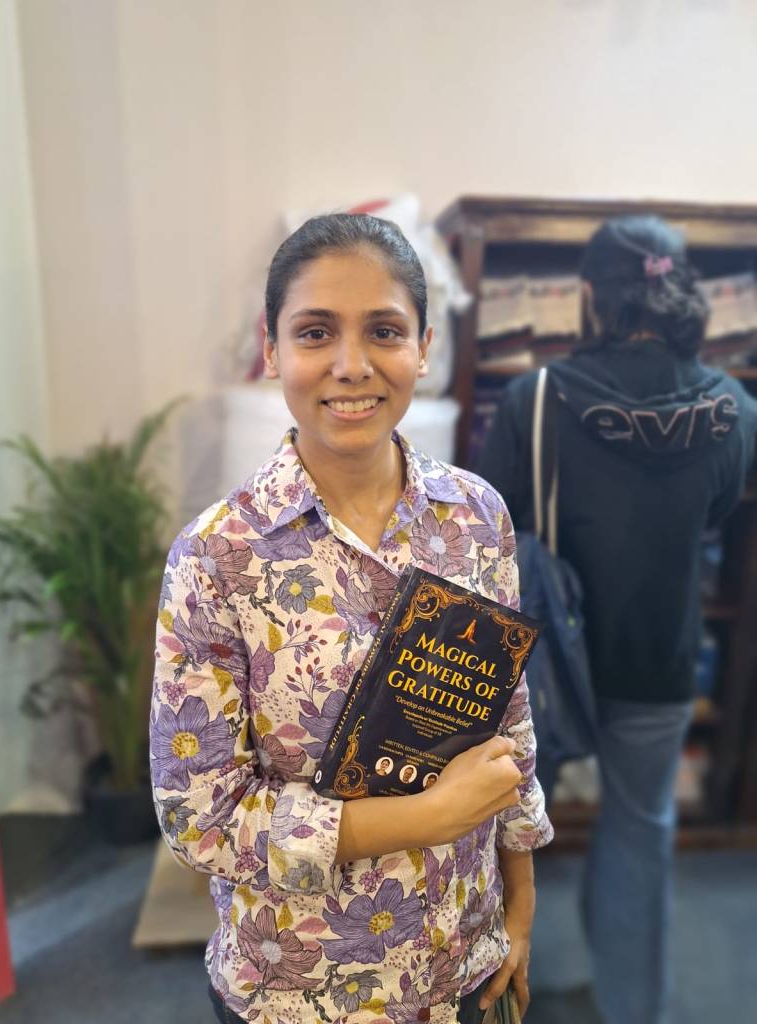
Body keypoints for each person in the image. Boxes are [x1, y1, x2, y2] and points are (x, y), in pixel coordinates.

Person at [150, 213, 553, 1024]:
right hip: (300, 993)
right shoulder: (219, 555)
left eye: (384, 331)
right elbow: (201, 816)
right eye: (315, 332)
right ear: (272, 349)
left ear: (423, 347)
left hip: (463, 965)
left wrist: (520, 905)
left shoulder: (475, 516)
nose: (351, 364)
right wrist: (425, 817)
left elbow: (506, 722)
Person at [478, 215, 757, 1024]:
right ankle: (633, 1008)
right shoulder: (737, 409)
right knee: (640, 833)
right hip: (660, 658)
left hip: (540, 668)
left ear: (589, 296)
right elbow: (714, 513)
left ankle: (491, 996)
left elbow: (490, 534)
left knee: (491, 831)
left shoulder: (533, 401)